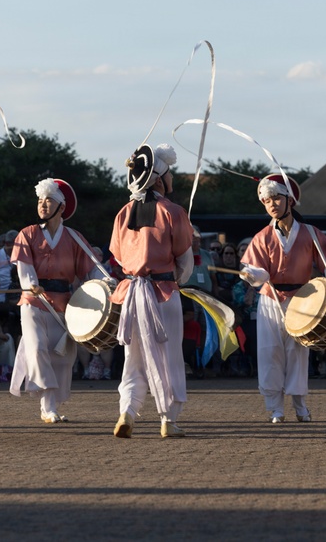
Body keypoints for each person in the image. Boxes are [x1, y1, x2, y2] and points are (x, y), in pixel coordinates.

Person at [239, 173, 326, 424]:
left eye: (276, 198)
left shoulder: (311, 233)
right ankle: (275, 408)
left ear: (289, 200)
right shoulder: (262, 236)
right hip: (270, 299)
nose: (271, 204)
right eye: (266, 200)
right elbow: (258, 271)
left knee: (297, 352)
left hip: (302, 300)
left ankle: (300, 406)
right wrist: (251, 273)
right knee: (269, 351)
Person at [109, 144, 193, 438]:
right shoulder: (173, 211)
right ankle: (167, 420)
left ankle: (127, 413)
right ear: (159, 179)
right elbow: (185, 260)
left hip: (132, 293)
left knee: (133, 360)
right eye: (170, 174)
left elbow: (119, 258)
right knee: (168, 357)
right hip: (164, 292)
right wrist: (175, 279)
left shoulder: (123, 213)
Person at [10, 178, 102, 423]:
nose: (42, 204)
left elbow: (89, 270)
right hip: (33, 300)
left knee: (62, 357)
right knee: (37, 347)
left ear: (61, 207)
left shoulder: (74, 237)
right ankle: (46, 403)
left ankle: (49, 407)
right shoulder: (27, 234)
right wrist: (30, 283)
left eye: (48, 200)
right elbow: (24, 268)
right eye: (40, 200)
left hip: (64, 303)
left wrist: (106, 284)